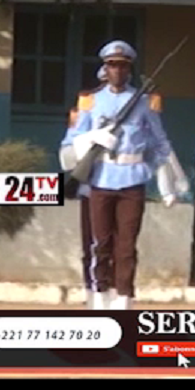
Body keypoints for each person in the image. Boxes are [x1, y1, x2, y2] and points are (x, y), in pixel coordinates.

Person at [59, 40, 177, 310]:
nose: (117, 71)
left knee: (126, 245)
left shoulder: (144, 102)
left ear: (129, 70)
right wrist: (93, 137)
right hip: (100, 178)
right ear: (105, 69)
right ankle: (100, 296)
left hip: (133, 178)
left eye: (123, 66)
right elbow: (72, 144)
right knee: (101, 243)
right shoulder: (92, 102)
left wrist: (168, 182)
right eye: (112, 66)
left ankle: (123, 298)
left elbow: (160, 143)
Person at [63, 65, 113, 310]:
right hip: (91, 189)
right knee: (92, 245)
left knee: (119, 245)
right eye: (102, 85)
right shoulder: (85, 112)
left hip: (120, 183)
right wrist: (89, 141)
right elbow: (67, 155)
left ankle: (113, 293)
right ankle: (92, 292)